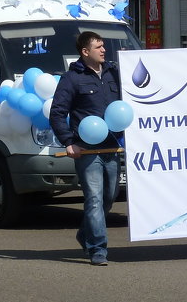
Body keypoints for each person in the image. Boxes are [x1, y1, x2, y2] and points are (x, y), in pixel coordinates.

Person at [49, 30, 122, 266]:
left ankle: (85, 234)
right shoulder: (72, 78)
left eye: (103, 46)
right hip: (87, 152)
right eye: (98, 47)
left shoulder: (114, 73)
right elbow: (58, 113)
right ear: (85, 52)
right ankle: (98, 249)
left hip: (111, 147)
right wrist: (68, 142)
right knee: (93, 199)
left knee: (109, 199)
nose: (104, 50)